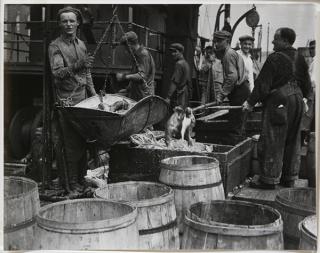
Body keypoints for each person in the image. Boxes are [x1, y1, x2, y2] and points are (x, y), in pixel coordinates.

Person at [242, 27, 312, 189]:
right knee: (292, 140)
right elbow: (307, 84)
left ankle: (268, 180)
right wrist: (306, 100)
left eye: (276, 38)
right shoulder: (300, 58)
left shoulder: (274, 58)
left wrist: (250, 102)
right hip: (298, 100)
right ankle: (289, 178)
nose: (273, 41)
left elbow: (262, 84)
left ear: (285, 41)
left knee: (272, 139)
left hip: (280, 101)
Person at [49, 6, 97, 194]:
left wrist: (93, 94)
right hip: (66, 101)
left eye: (71, 21)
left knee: (83, 142)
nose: (68, 24)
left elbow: (87, 72)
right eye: (64, 21)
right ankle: (70, 184)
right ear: (60, 24)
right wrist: (78, 65)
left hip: (83, 100)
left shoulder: (82, 45)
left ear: (78, 23)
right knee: (70, 145)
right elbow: (57, 73)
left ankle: (81, 180)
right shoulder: (55, 46)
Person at [213, 30, 249, 141]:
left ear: (227, 41)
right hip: (241, 91)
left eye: (219, 41)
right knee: (239, 125)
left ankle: (235, 150)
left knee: (235, 126)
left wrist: (221, 95)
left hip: (239, 92)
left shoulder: (228, 55)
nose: (216, 44)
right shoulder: (232, 53)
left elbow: (232, 77)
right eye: (215, 41)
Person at [116, 31, 155, 101]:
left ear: (129, 45)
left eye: (126, 47)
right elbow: (136, 73)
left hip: (143, 96)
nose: (126, 50)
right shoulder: (137, 55)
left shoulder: (142, 55)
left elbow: (142, 76)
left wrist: (124, 76)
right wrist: (128, 89)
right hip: (137, 94)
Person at [165, 43, 191, 109]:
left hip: (179, 96)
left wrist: (168, 97)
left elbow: (175, 82)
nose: (172, 54)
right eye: (172, 52)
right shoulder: (185, 63)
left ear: (181, 52)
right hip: (185, 95)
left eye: (175, 51)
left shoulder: (179, 64)